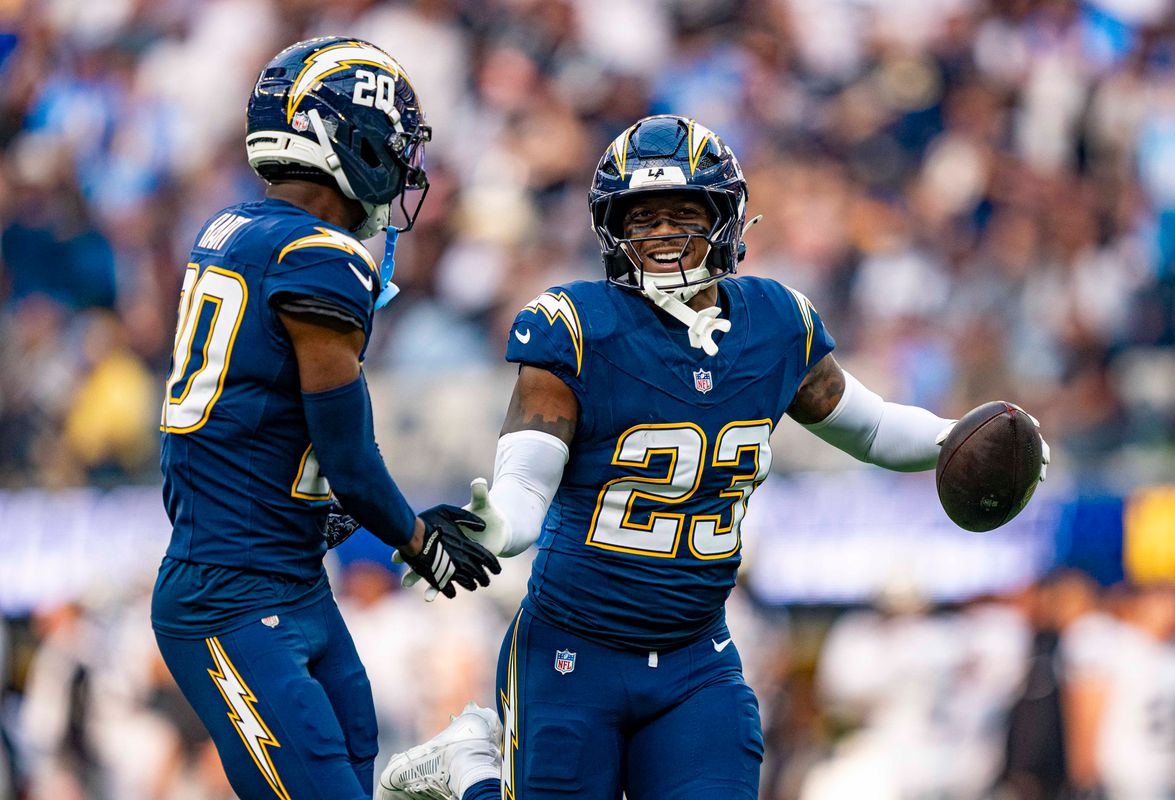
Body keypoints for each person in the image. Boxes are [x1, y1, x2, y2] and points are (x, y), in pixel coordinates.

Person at [375, 114, 1050, 800]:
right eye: (643, 217)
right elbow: (527, 478)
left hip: (695, 659)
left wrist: (958, 438)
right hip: (571, 652)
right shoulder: (574, 328)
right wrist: (500, 526)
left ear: (726, 218)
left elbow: (870, 429)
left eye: (682, 213)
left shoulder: (775, 323)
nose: (664, 233)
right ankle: (471, 769)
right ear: (613, 228)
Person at [151, 36, 500, 800]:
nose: (399, 167)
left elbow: (253, 419)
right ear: (347, 137)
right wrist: (417, 540)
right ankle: (462, 775)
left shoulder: (231, 231)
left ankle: (437, 777)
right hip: (235, 595)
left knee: (355, 775)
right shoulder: (320, 257)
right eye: (391, 143)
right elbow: (348, 458)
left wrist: (341, 513)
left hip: (286, 580)